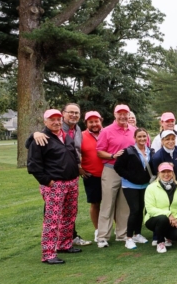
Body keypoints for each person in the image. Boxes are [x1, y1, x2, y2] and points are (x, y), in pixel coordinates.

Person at [29, 103, 92, 246]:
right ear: (45, 121)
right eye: (52, 119)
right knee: (52, 219)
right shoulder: (42, 138)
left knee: (69, 217)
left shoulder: (70, 133)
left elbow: (73, 153)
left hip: (71, 180)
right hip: (55, 183)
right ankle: (49, 253)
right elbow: (33, 164)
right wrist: (47, 181)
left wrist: (77, 168)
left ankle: (65, 245)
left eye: (58, 119)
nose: (56, 122)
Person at [96, 104, 136, 248]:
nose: (123, 116)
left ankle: (122, 234)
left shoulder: (134, 131)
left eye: (125, 113)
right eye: (120, 113)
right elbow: (100, 151)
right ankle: (102, 237)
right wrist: (113, 155)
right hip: (111, 169)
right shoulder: (106, 131)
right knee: (108, 203)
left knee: (125, 204)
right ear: (115, 114)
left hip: (128, 171)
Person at [114, 127, 154, 249]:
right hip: (130, 185)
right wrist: (130, 177)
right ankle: (129, 238)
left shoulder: (151, 151)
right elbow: (118, 167)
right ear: (135, 138)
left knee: (141, 209)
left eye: (144, 136)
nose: (142, 139)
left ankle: (138, 234)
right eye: (139, 136)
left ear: (147, 137)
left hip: (145, 185)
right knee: (134, 210)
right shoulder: (128, 151)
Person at [143, 163, 177, 254]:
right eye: (163, 171)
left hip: (173, 219)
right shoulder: (151, 188)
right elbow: (150, 209)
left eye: (169, 171)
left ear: (172, 172)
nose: (166, 174)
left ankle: (168, 237)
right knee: (163, 218)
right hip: (154, 219)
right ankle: (160, 242)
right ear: (159, 173)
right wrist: (168, 214)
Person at [80, 111, 104, 244]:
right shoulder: (81, 136)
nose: (94, 124)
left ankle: (119, 229)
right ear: (86, 123)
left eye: (96, 121)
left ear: (101, 121)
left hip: (109, 174)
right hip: (91, 175)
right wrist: (79, 167)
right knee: (95, 203)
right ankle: (98, 230)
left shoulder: (107, 133)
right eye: (91, 122)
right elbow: (74, 152)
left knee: (114, 203)